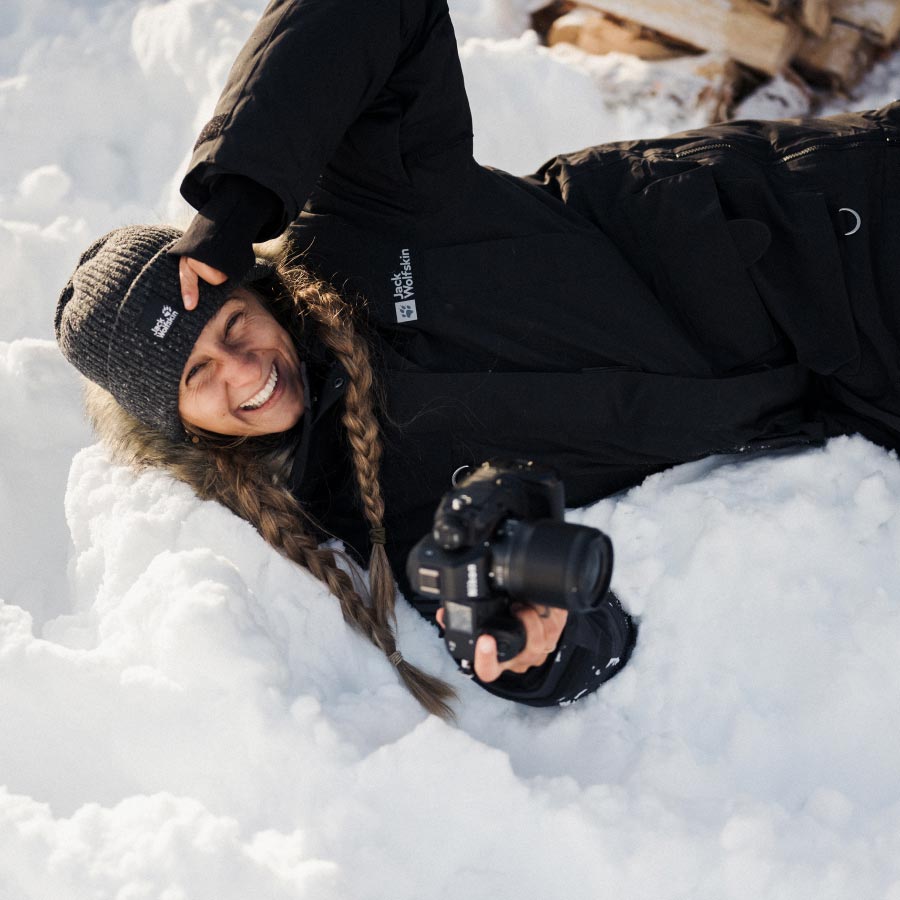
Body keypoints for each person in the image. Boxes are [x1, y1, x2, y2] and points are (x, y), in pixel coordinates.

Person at [55, 0, 900, 718]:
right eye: (198, 376)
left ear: (256, 287)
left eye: (233, 322)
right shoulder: (363, 514)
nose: (243, 369)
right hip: (854, 383)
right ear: (181, 425)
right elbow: (566, 638)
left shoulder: (367, 217)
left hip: (834, 225)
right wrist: (545, 648)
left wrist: (239, 188)